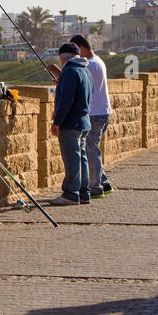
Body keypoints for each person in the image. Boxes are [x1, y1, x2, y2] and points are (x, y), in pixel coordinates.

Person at [49, 42, 92, 206]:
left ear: (63, 58)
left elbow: (66, 100)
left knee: (72, 158)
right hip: (83, 121)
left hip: (70, 123)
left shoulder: (70, 71)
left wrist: (57, 122)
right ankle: (84, 192)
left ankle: (71, 194)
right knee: (81, 158)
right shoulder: (85, 70)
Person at [71, 33, 113, 197]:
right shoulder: (99, 62)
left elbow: (76, 80)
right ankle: (104, 182)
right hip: (103, 111)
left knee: (91, 150)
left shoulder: (89, 65)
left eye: (75, 51)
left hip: (94, 113)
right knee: (93, 149)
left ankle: (95, 187)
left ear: (81, 48)